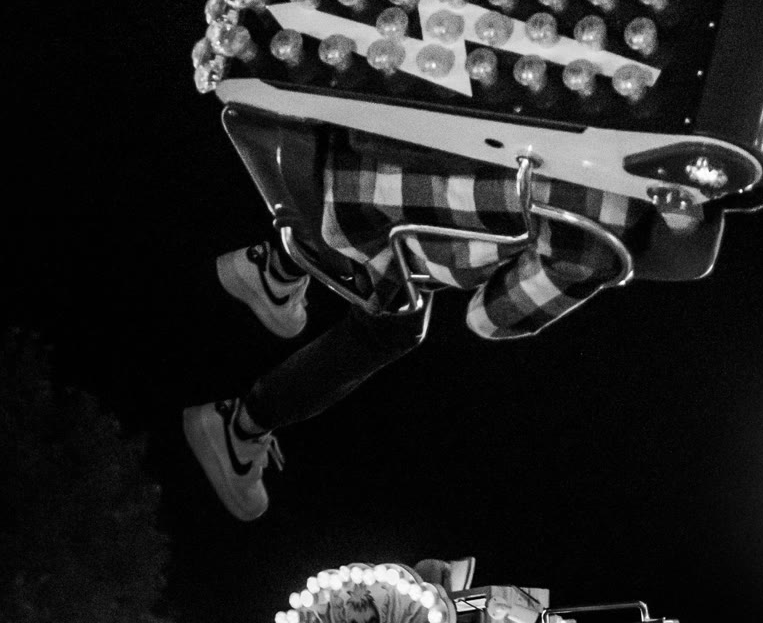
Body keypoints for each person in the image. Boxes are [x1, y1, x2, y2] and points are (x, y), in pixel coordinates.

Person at [186, 129, 661, 521]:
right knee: (396, 326)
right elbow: (487, 319)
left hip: (341, 139)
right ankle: (243, 424)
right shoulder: (606, 232)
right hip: (360, 218)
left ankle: (276, 267)